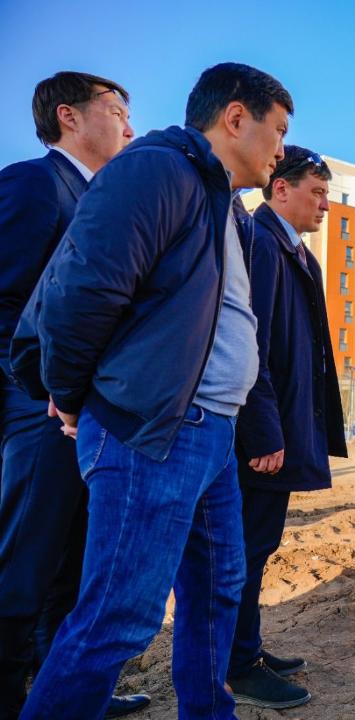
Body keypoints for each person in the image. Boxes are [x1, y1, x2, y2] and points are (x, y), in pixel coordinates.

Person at [9, 63, 292, 719]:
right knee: (120, 617)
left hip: (210, 431)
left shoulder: (221, 201)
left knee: (218, 589)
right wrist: (70, 395)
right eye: (277, 129)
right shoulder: (159, 170)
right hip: (154, 429)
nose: (281, 149)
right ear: (235, 118)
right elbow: (84, 291)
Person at [0, 71, 148, 720]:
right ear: (70, 116)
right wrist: (34, 395)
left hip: (85, 415)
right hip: (38, 410)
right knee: (22, 566)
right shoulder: (35, 184)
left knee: (72, 565)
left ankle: (65, 694)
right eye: (117, 111)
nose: (129, 128)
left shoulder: (101, 200)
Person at [228, 146, 347, 709]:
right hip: (261, 435)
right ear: (280, 188)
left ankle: (247, 647)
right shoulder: (259, 242)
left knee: (259, 545)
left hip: (283, 425)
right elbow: (249, 344)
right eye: (316, 193)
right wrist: (264, 431)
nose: (325, 205)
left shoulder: (294, 251)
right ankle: (237, 665)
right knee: (245, 550)